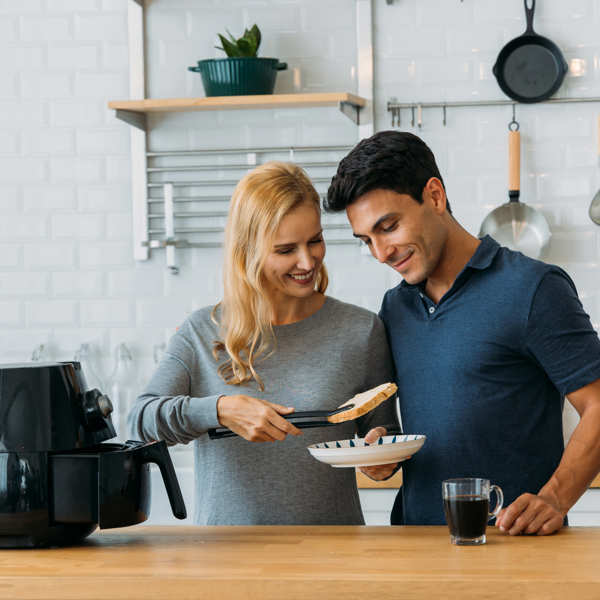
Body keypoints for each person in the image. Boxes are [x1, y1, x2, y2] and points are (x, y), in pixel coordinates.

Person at [325, 130, 600, 535]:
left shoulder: (532, 289)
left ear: (434, 196)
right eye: (366, 240)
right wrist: (384, 448)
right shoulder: (395, 308)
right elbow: (430, 424)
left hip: (512, 546)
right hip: (415, 545)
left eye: (389, 226)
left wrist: (555, 498)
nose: (381, 253)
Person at [128, 161, 400, 526]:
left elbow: (383, 435)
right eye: (286, 250)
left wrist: (382, 455)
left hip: (335, 558)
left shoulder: (361, 330)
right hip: (228, 562)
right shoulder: (200, 332)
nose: (308, 261)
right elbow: (139, 422)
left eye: (315, 241)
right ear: (248, 251)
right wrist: (220, 410)